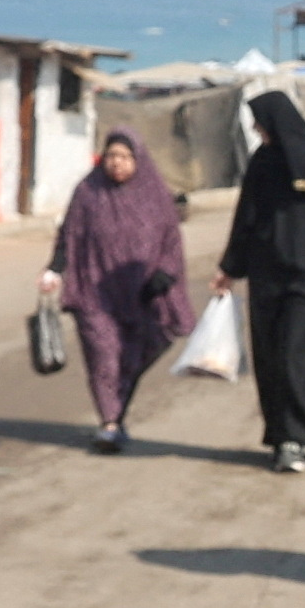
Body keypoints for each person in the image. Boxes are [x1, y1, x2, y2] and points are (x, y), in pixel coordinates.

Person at [216, 91, 305, 475]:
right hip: (266, 278)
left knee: (296, 359)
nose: (254, 128)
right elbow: (245, 219)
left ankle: (296, 437)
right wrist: (230, 267)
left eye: (259, 121)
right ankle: (289, 436)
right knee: (270, 360)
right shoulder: (262, 164)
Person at [39, 128, 192, 452]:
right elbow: (70, 234)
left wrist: (165, 274)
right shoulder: (88, 191)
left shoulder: (155, 195)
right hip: (94, 292)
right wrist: (55, 268)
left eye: (124, 157)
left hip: (142, 294)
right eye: (111, 156)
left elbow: (171, 241)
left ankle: (117, 411)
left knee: (134, 355)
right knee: (104, 356)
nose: (116, 164)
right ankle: (109, 423)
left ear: (138, 160)